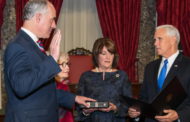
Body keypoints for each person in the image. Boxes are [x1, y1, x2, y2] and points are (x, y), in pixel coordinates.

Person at [3, 0, 94, 122]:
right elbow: (22, 86)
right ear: (38, 17)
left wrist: (74, 98)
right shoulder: (17, 46)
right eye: (52, 20)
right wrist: (52, 60)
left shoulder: (33, 45)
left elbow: (44, 91)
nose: (54, 25)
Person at [128, 25, 190, 122]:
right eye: (155, 40)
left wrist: (179, 115)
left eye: (159, 39)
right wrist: (137, 110)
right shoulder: (150, 67)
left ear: (173, 40)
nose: (155, 44)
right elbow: (144, 97)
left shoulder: (187, 66)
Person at [76, 37, 132, 122]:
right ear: (96, 55)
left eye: (111, 53)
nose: (108, 57)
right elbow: (78, 108)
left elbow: (128, 105)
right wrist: (86, 112)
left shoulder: (122, 76)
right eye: (104, 53)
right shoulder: (86, 76)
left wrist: (115, 108)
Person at [55, 53, 74, 122]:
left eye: (67, 64)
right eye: (63, 64)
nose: (67, 67)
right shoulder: (58, 87)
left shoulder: (64, 85)